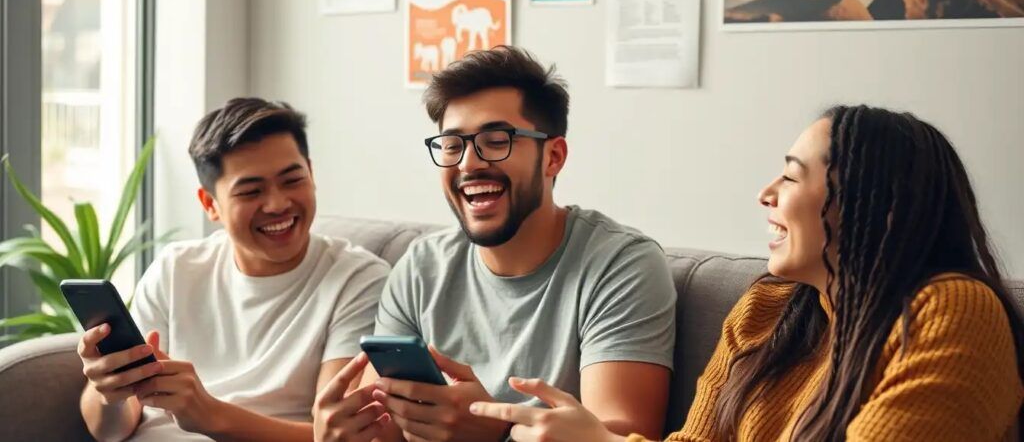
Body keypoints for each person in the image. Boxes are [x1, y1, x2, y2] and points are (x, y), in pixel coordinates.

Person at [469, 105, 1024, 442]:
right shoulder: (768, 310)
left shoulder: (951, 310)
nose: (766, 194)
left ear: (872, 202)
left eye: (792, 177)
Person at [312, 46, 677, 442]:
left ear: (553, 157)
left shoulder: (620, 265)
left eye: (496, 140)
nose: (468, 163)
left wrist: (497, 432)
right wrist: (345, 431)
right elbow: (383, 425)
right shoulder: (420, 266)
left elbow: (622, 434)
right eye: (452, 145)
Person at [77, 97, 390, 441]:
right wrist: (109, 392)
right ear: (210, 204)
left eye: (292, 180)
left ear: (311, 174)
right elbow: (108, 432)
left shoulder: (357, 280)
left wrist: (208, 414)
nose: (278, 204)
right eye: (251, 191)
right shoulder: (175, 269)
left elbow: (337, 433)